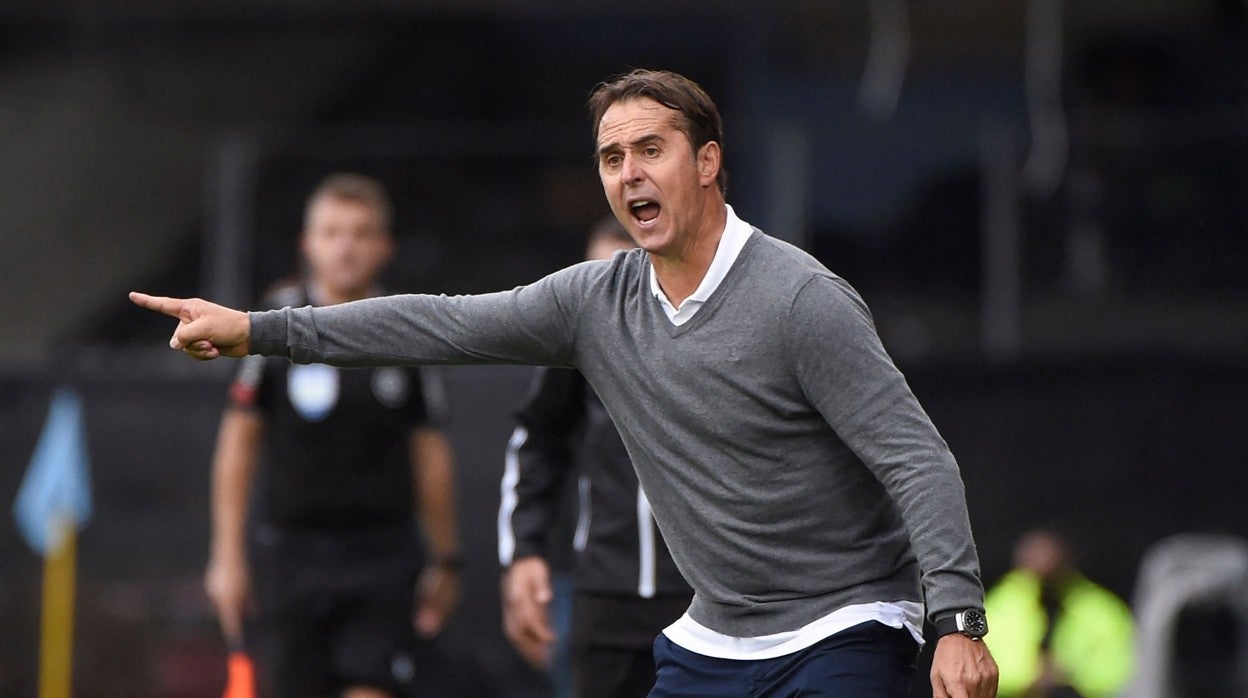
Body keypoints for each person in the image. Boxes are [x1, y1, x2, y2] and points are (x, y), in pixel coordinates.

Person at [132, 69, 998, 697]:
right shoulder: (594, 301)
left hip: (844, 626)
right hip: (714, 637)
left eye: (649, 150)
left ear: (707, 163)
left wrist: (956, 621)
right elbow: (441, 322)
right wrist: (258, 331)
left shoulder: (802, 300)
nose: (627, 174)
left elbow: (918, 461)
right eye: (611, 157)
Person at [202, 173, 462, 698]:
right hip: (290, 555)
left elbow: (430, 453)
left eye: (361, 232)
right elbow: (238, 443)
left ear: (384, 247)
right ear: (308, 244)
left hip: (382, 557)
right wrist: (226, 557)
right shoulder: (273, 324)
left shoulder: (406, 329)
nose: (346, 246)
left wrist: (446, 557)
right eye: (332, 232)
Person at [499, 217, 694, 698]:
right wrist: (524, 554)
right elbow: (537, 441)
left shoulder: (719, 342)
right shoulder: (574, 351)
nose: (603, 297)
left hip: (707, 594)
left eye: (619, 278)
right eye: (593, 277)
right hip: (603, 590)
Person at [983, 529, 1133, 698]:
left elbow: (1121, 669)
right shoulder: (1001, 605)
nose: (1043, 570)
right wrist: (1031, 678)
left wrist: (1068, 677)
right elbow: (984, 662)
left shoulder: (1101, 610)